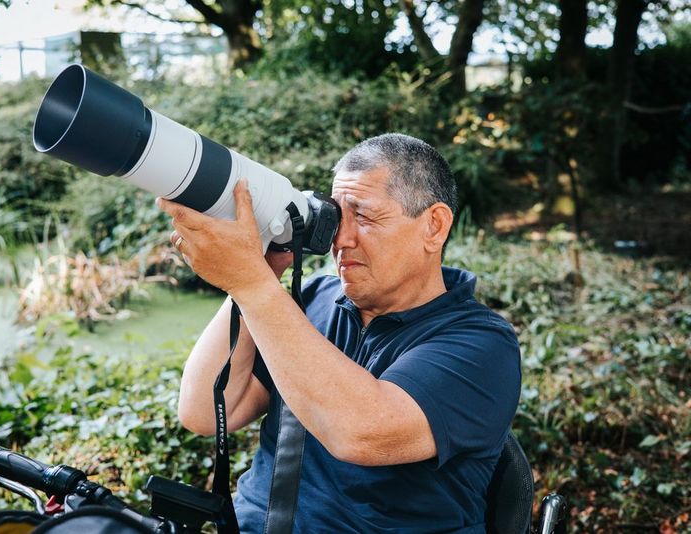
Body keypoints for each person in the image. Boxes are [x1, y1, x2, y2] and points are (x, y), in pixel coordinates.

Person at [157, 133, 521, 533]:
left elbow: (360, 434)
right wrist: (261, 270)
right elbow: (204, 411)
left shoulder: (482, 345)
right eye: (336, 216)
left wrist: (252, 285)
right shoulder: (311, 298)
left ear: (433, 227)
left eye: (364, 217)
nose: (340, 240)